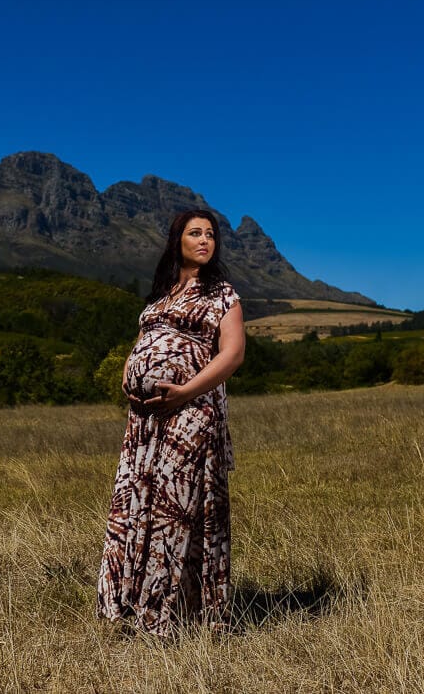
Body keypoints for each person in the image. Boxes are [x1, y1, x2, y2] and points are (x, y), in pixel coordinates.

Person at [97, 209, 246, 637]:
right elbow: (142, 341)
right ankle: (131, 606)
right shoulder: (161, 296)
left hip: (192, 410)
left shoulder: (223, 295)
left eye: (211, 235)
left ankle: (175, 614)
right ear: (176, 241)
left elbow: (232, 355)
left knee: (176, 508)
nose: (204, 240)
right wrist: (130, 376)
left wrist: (185, 391)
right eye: (194, 233)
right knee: (136, 505)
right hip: (144, 421)